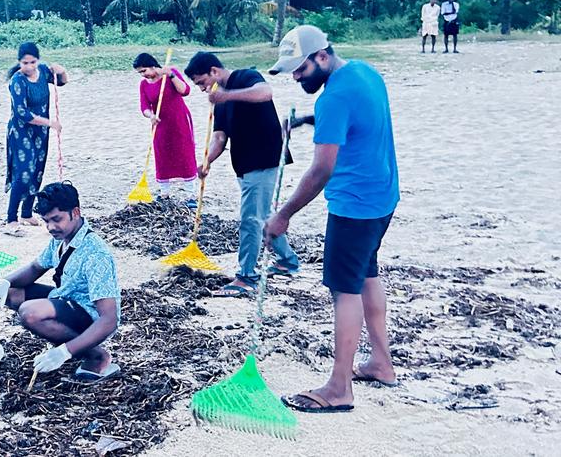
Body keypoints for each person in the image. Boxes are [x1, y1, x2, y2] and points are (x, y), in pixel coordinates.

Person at [265, 25, 400, 414]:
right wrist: (308, 120)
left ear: (321, 57)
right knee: (366, 275)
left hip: (353, 206)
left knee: (344, 290)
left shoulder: (333, 99)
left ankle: (339, 387)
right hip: (382, 198)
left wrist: (283, 216)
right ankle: (380, 363)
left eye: (300, 69)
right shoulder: (363, 72)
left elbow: (321, 170)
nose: (295, 77)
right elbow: (357, 119)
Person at [184, 52, 301, 298]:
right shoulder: (220, 102)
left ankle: (246, 276)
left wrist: (225, 95)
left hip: (264, 158)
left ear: (214, 72)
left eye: (201, 82)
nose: (202, 89)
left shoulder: (246, 77)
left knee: (250, 220)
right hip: (244, 163)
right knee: (263, 213)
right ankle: (288, 261)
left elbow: (265, 93)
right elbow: (219, 137)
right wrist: (206, 161)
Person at [0, 182, 121, 383]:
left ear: (75, 212)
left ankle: (95, 355)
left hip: (88, 315)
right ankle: (70, 341)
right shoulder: (61, 238)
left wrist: (64, 352)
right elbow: (35, 268)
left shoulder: (96, 253)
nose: (51, 227)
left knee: (30, 312)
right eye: (46, 221)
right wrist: (3, 282)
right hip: (66, 300)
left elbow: (109, 319)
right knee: (11, 293)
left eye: (57, 219)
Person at [4, 42, 69, 235]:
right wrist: (50, 123)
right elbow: (22, 113)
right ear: (19, 62)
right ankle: (11, 219)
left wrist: (62, 70)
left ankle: (26, 213)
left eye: (32, 62)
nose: (29, 67)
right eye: (25, 63)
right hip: (21, 131)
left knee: (37, 171)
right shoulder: (17, 81)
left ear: (38, 60)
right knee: (24, 172)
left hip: (40, 132)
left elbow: (62, 81)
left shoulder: (43, 71)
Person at [133, 53, 198, 206]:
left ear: (152, 65)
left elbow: (185, 91)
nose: (143, 75)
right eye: (140, 73)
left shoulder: (171, 72)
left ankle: (191, 195)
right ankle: (164, 193)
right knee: (162, 155)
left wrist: (171, 75)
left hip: (179, 120)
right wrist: (151, 116)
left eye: (144, 71)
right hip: (160, 124)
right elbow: (144, 107)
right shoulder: (144, 84)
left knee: (184, 152)